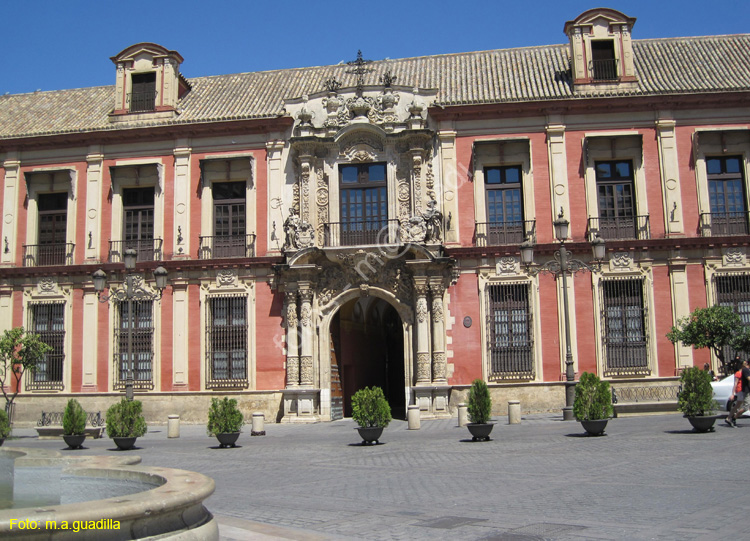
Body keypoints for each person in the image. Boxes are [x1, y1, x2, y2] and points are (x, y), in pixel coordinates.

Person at [726, 359, 749, 427]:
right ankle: (731, 417)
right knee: (739, 405)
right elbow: (735, 383)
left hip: (743, 390)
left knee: (738, 405)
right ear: (741, 364)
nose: (746, 363)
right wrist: (733, 393)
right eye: (744, 362)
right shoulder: (739, 373)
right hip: (740, 390)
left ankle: (729, 417)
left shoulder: (744, 371)